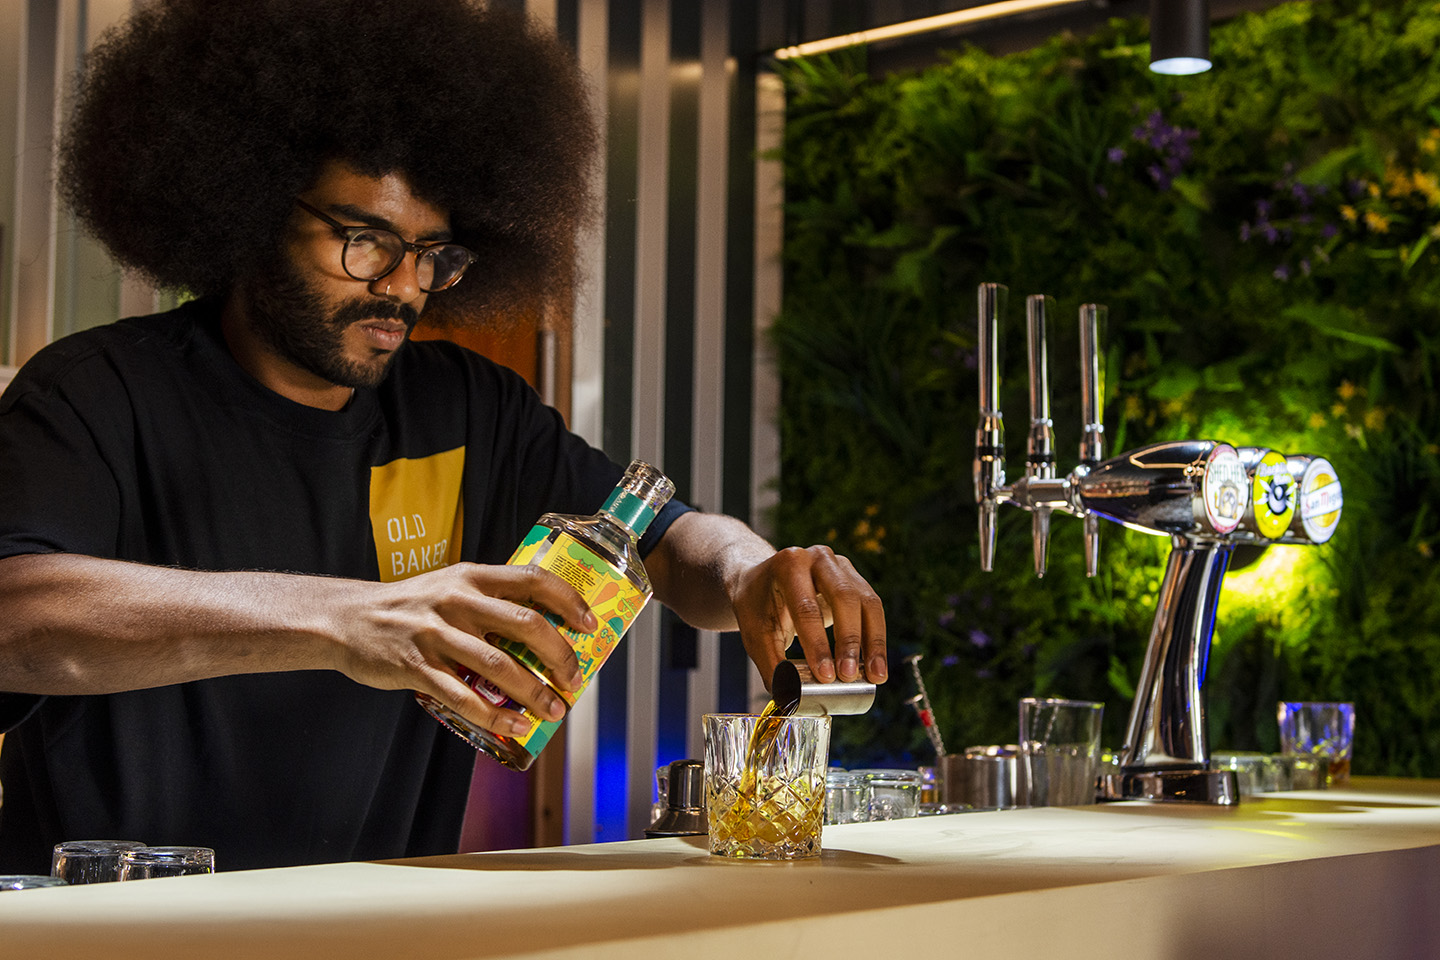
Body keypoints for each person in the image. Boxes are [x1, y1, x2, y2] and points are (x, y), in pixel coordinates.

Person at [0, 0, 886, 874]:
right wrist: (349, 620)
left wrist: (748, 569)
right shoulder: (97, 392)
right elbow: (18, 617)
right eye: (363, 240)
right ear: (250, 210)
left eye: (431, 255)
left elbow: (664, 545)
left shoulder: (466, 407)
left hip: (379, 924)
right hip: (114, 923)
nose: (402, 288)